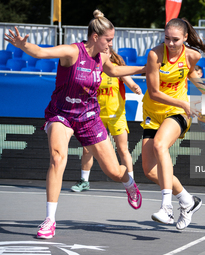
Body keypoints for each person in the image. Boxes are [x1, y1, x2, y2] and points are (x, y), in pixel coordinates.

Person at [4, 9, 144, 239]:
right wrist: (22, 45)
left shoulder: (103, 56)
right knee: (58, 157)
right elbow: (40, 52)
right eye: (108, 40)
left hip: (89, 117)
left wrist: (144, 69)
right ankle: (49, 220)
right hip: (62, 114)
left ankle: (128, 182)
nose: (111, 44)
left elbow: (116, 71)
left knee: (113, 171)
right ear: (95, 37)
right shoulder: (71, 52)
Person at [141, 18, 205, 230]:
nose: (170, 43)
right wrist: (184, 101)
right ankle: (188, 201)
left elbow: (189, 72)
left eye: (175, 40)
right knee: (149, 171)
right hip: (153, 112)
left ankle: (166, 208)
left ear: (185, 38)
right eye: (167, 39)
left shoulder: (192, 55)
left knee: (160, 145)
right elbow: (154, 92)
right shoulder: (155, 55)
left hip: (178, 113)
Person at [71, 48, 142, 192]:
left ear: (110, 54)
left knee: (122, 149)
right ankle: (84, 181)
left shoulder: (116, 69)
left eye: (105, 51)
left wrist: (135, 87)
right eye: (100, 51)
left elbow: (130, 82)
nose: (102, 53)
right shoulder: (91, 70)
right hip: (95, 117)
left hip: (116, 116)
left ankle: (131, 183)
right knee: (87, 150)